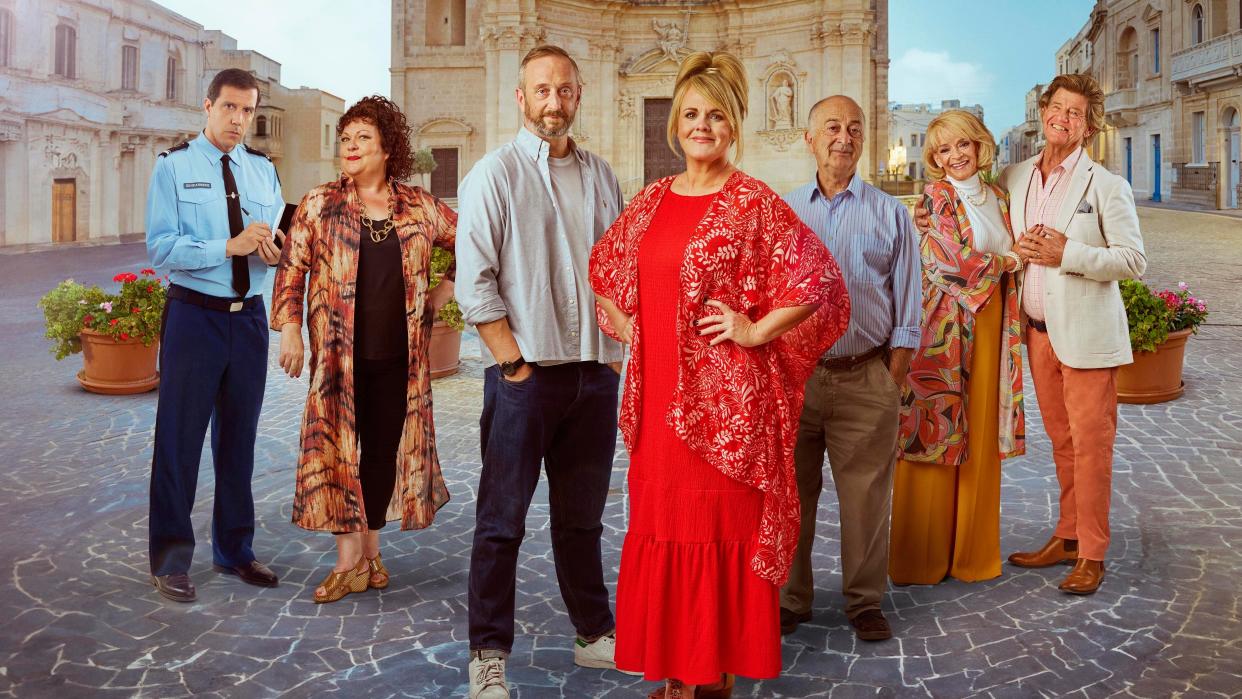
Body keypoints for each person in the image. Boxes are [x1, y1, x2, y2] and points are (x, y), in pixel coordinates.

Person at [592, 51, 850, 699]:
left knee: (719, 534)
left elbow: (819, 279)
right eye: (690, 115)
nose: (701, 125)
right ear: (675, 127)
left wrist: (756, 329)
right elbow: (607, 270)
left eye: (714, 115)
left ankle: (714, 680)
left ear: (733, 126)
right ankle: (682, 675)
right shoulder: (651, 201)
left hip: (727, 412)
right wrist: (627, 319)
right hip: (658, 407)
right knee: (667, 530)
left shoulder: (751, 202)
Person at [454, 45, 627, 699]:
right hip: (524, 378)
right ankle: (488, 654)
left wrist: (612, 359)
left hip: (592, 377)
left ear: (578, 95)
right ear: (521, 98)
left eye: (565, 89)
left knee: (582, 520)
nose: (555, 101)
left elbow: (614, 272)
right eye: (542, 90)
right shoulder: (493, 175)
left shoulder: (603, 175)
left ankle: (592, 634)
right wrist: (515, 365)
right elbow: (475, 283)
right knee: (501, 522)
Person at [269, 96, 455, 603]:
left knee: (379, 455)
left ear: (388, 148)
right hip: (337, 360)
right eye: (345, 139)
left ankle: (370, 554)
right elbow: (292, 268)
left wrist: (446, 288)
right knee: (337, 454)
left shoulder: (419, 206)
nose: (350, 147)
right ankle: (348, 560)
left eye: (362, 139)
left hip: (402, 358)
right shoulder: (319, 203)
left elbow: (473, 241)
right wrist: (288, 329)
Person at [779, 95, 922, 642]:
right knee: (791, 493)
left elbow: (908, 302)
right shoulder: (785, 211)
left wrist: (892, 376)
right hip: (796, 376)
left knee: (866, 497)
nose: (845, 137)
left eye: (855, 128)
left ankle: (864, 601)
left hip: (867, 375)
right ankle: (791, 598)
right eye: (832, 127)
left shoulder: (889, 213)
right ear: (810, 138)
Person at [145, 68, 283, 602]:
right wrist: (227, 248)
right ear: (207, 107)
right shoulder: (174, 169)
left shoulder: (263, 172)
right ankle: (171, 558)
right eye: (229, 108)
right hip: (193, 318)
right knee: (179, 442)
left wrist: (275, 249)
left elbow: (273, 237)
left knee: (239, 443)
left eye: (247, 111)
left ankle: (235, 550)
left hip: (247, 319)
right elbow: (160, 249)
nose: (238, 120)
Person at [889, 110, 1026, 586]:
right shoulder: (936, 196)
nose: (954, 156)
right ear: (934, 159)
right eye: (943, 150)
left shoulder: (1001, 197)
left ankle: (972, 554)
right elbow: (951, 261)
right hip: (944, 326)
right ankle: (920, 559)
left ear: (980, 144)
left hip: (990, 323)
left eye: (962, 145)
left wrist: (1010, 265)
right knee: (934, 428)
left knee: (982, 433)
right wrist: (1010, 259)